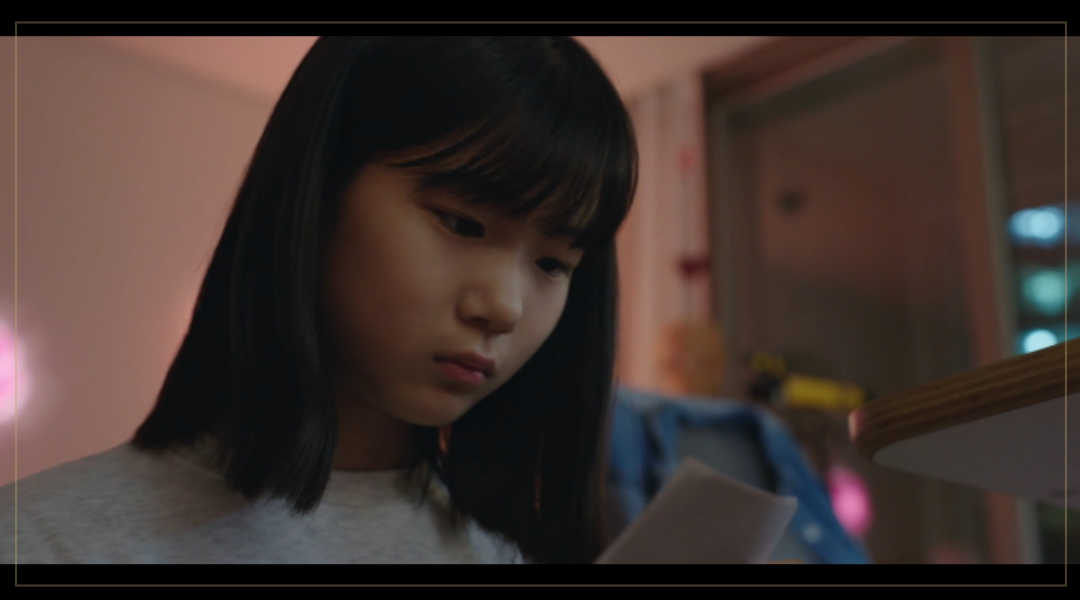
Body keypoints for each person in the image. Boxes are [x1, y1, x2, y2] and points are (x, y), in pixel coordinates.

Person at [0, 36, 638, 565]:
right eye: (461, 224)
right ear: (318, 188)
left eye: (553, 263)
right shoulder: (43, 540)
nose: (503, 307)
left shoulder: (508, 553)